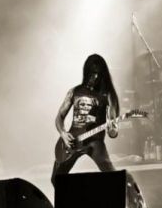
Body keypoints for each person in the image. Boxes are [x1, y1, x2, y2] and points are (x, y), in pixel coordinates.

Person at [51, 54, 120, 185]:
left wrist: (113, 128)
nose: (95, 77)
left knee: (113, 178)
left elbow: (113, 132)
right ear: (86, 72)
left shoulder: (108, 95)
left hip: (95, 142)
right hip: (73, 141)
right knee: (56, 179)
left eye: (99, 74)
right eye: (92, 73)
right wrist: (63, 134)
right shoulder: (74, 91)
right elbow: (59, 117)